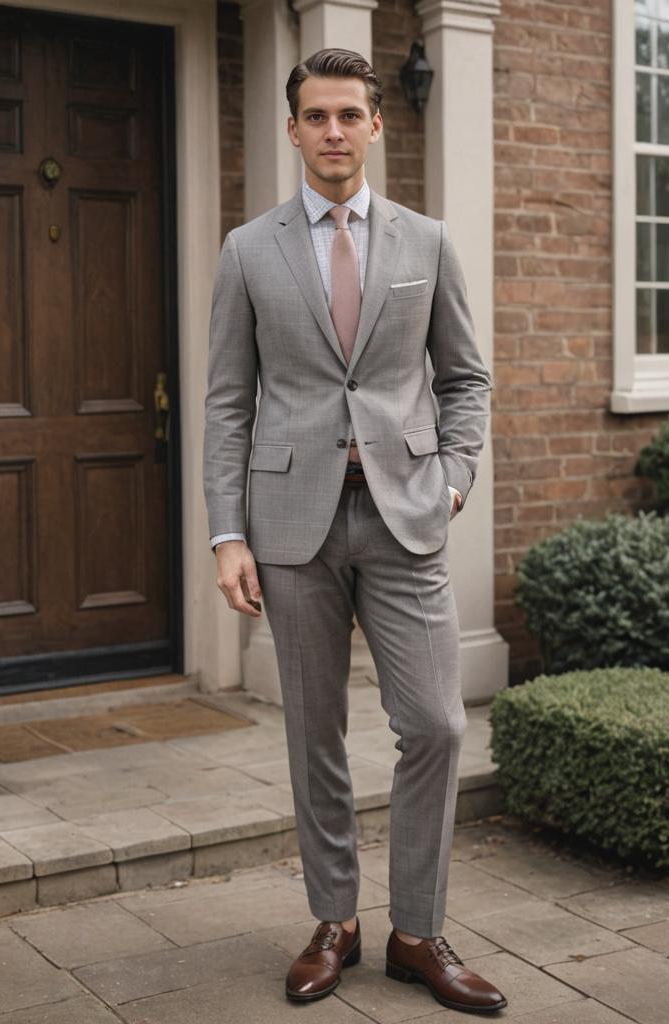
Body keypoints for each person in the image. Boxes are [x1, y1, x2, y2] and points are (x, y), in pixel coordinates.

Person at [202, 47, 505, 1014]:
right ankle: (336, 919)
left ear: (378, 126)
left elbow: (464, 379)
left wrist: (453, 480)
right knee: (314, 734)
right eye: (316, 116)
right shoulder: (250, 250)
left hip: (406, 514)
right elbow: (225, 404)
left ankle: (418, 930)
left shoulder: (427, 242)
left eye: (349, 115)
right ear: (292, 130)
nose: (334, 131)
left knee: (438, 725)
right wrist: (226, 534)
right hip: (289, 526)